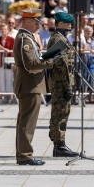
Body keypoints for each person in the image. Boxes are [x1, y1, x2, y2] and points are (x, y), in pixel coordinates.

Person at [13, 9, 59, 166]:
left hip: (31, 85)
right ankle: (25, 155)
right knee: (27, 123)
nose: (38, 26)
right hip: (29, 85)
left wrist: (47, 56)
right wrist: (52, 62)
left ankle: (23, 153)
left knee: (26, 122)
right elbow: (31, 65)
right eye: (36, 22)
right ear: (27, 21)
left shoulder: (28, 37)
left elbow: (35, 59)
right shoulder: (24, 39)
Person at [47, 12, 79, 158]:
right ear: (60, 24)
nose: (70, 25)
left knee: (59, 113)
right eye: (68, 23)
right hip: (60, 83)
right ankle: (59, 145)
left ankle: (58, 144)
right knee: (61, 113)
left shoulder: (58, 38)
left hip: (59, 82)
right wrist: (67, 86)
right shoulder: (58, 39)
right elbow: (62, 65)